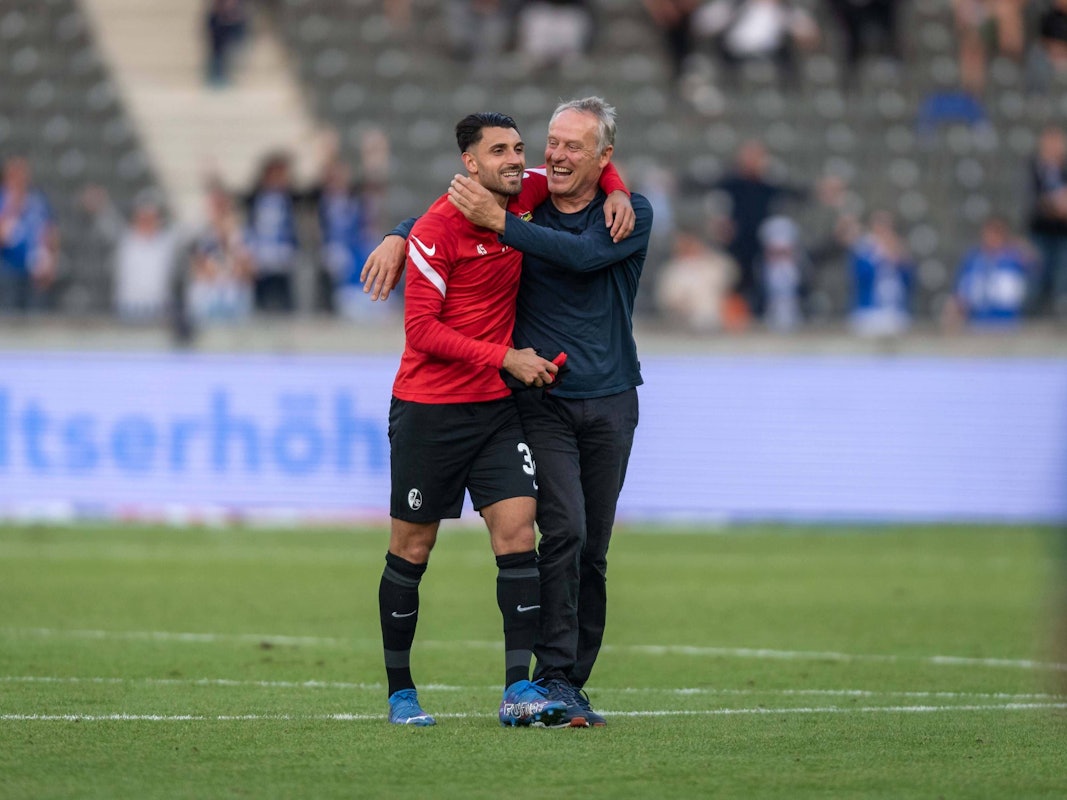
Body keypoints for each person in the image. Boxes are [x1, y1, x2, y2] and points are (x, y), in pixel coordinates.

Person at [368, 97, 652, 728]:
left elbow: (574, 202)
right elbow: (420, 329)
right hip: (443, 406)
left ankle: (527, 686)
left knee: (535, 536)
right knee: (416, 547)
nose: (528, 160)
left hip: (518, 407)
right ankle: (401, 692)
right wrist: (401, 231)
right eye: (507, 150)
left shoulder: (540, 202)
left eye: (522, 149)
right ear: (470, 163)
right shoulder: (457, 222)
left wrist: (614, 182)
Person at [82, 185, 184, 323]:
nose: (147, 221)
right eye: (143, 216)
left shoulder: (167, 242)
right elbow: (104, 217)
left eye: (151, 216)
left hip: (159, 313)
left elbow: (189, 227)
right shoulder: (124, 239)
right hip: (127, 311)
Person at [943, 215, 1034, 329]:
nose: (992, 238)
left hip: (1008, 324)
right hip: (976, 323)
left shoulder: (1016, 258)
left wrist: (1022, 249)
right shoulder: (972, 260)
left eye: (997, 233)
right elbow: (959, 292)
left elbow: (1035, 268)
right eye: (989, 233)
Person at [0, 156, 58, 314]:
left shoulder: (37, 200)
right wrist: (13, 208)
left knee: (35, 318)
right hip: (7, 270)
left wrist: (51, 261)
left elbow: (50, 231)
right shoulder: (3, 200)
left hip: (35, 272)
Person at [848, 209, 914, 337]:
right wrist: (880, 256)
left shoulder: (898, 247)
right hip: (869, 311)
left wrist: (901, 260)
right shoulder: (863, 248)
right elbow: (861, 276)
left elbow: (908, 281)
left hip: (895, 310)